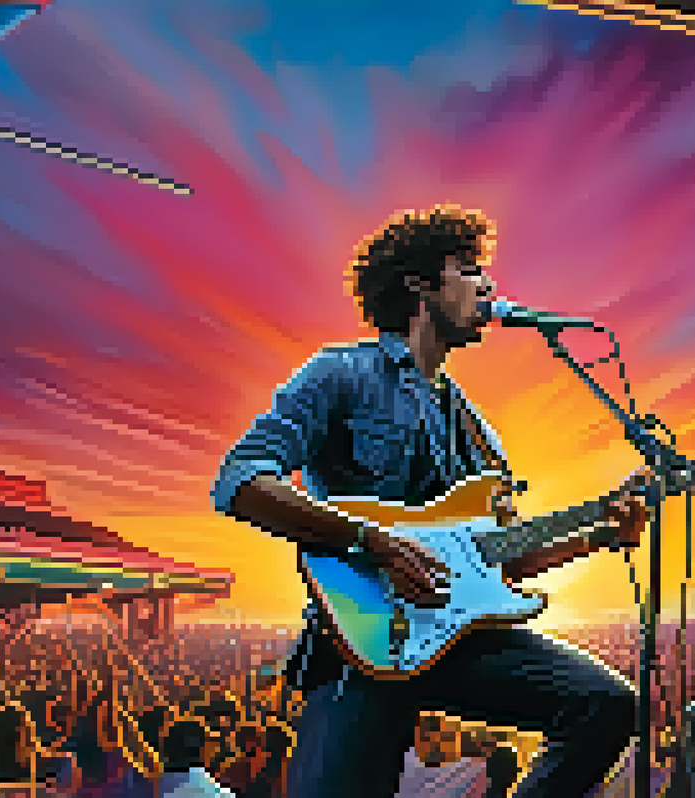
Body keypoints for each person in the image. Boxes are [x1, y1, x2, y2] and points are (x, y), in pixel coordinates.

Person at [213, 206, 657, 798]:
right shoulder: (342, 374)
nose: (489, 287)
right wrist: (374, 543)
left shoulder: (478, 431)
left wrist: (599, 534)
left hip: (457, 638)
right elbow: (239, 480)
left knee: (606, 707)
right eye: (470, 270)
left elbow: (496, 560)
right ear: (421, 284)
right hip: (362, 642)